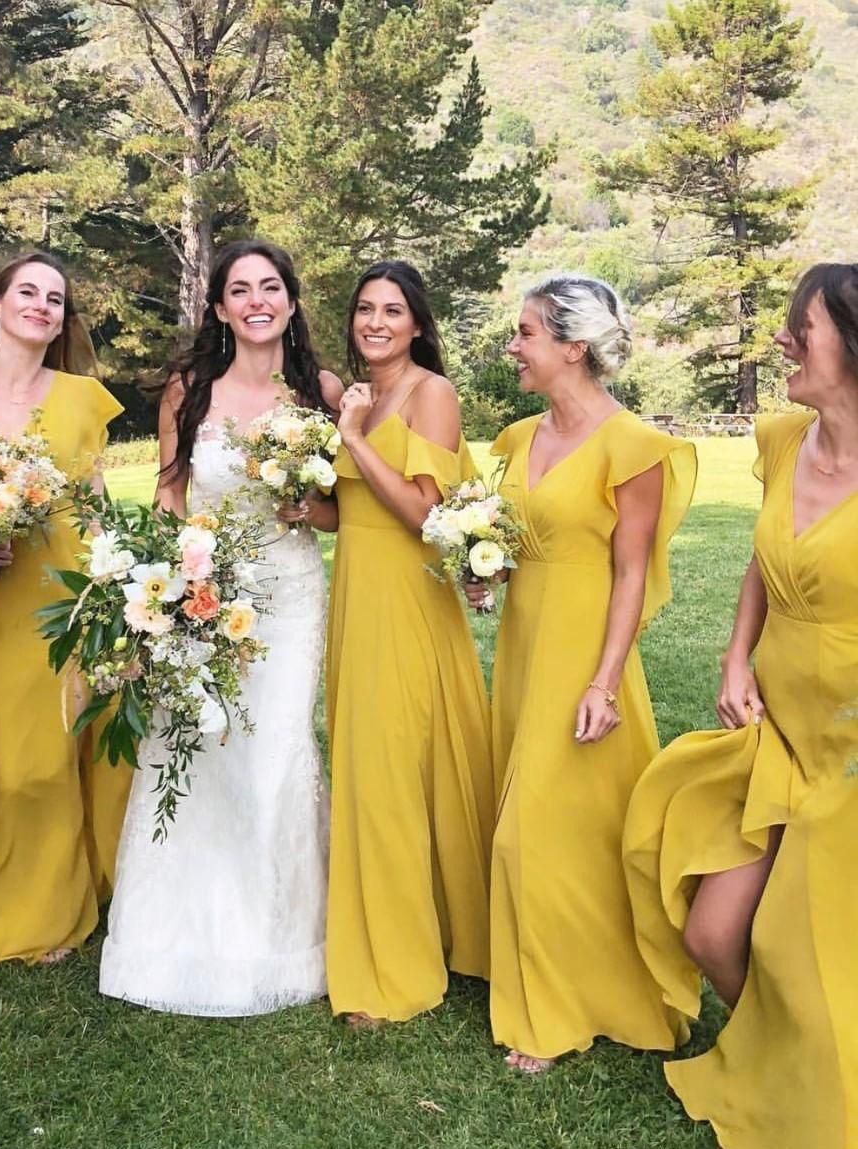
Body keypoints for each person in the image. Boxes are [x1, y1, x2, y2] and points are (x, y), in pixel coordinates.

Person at [623, 263, 858, 1147]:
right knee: (715, 931)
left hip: (850, 749)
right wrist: (734, 655)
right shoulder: (782, 439)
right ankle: (787, 1056)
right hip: (776, 725)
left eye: (802, 325)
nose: (785, 339)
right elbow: (769, 556)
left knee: (811, 956)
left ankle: (823, 1082)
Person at [100, 238, 341, 1015]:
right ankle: (177, 936)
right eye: (240, 289)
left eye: (271, 286)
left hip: (291, 593)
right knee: (195, 750)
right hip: (204, 592)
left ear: (292, 301)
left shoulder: (320, 390)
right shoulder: (188, 388)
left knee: (274, 753)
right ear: (219, 309)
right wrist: (167, 591)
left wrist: (307, 505)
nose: (257, 300)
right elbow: (170, 495)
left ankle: (277, 941)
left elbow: (345, 512)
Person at [468, 274, 696, 1072]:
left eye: (524, 333)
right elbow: (504, 539)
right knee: (551, 828)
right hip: (525, 646)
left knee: (539, 829)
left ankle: (558, 1010)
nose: (512, 348)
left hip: (585, 654)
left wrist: (603, 681)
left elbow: (631, 573)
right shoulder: (516, 439)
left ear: (573, 346)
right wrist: (483, 573)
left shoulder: (632, 446)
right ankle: (561, 976)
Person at [0, 252, 130, 967]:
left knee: (40, 761)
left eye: (56, 299)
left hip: (60, 596)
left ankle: (47, 910)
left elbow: (93, 494)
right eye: (28, 292)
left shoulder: (79, 395)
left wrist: (118, 575)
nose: (42, 305)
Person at [324, 260, 494, 1027]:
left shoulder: (432, 394)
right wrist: (306, 504)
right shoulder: (364, 394)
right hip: (356, 595)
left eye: (392, 310)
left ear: (418, 324)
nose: (376, 323)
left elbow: (423, 512)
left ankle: (398, 967)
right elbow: (350, 512)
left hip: (407, 599)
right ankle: (425, 924)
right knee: (370, 762)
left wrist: (353, 436)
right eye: (365, 309)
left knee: (392, 770)